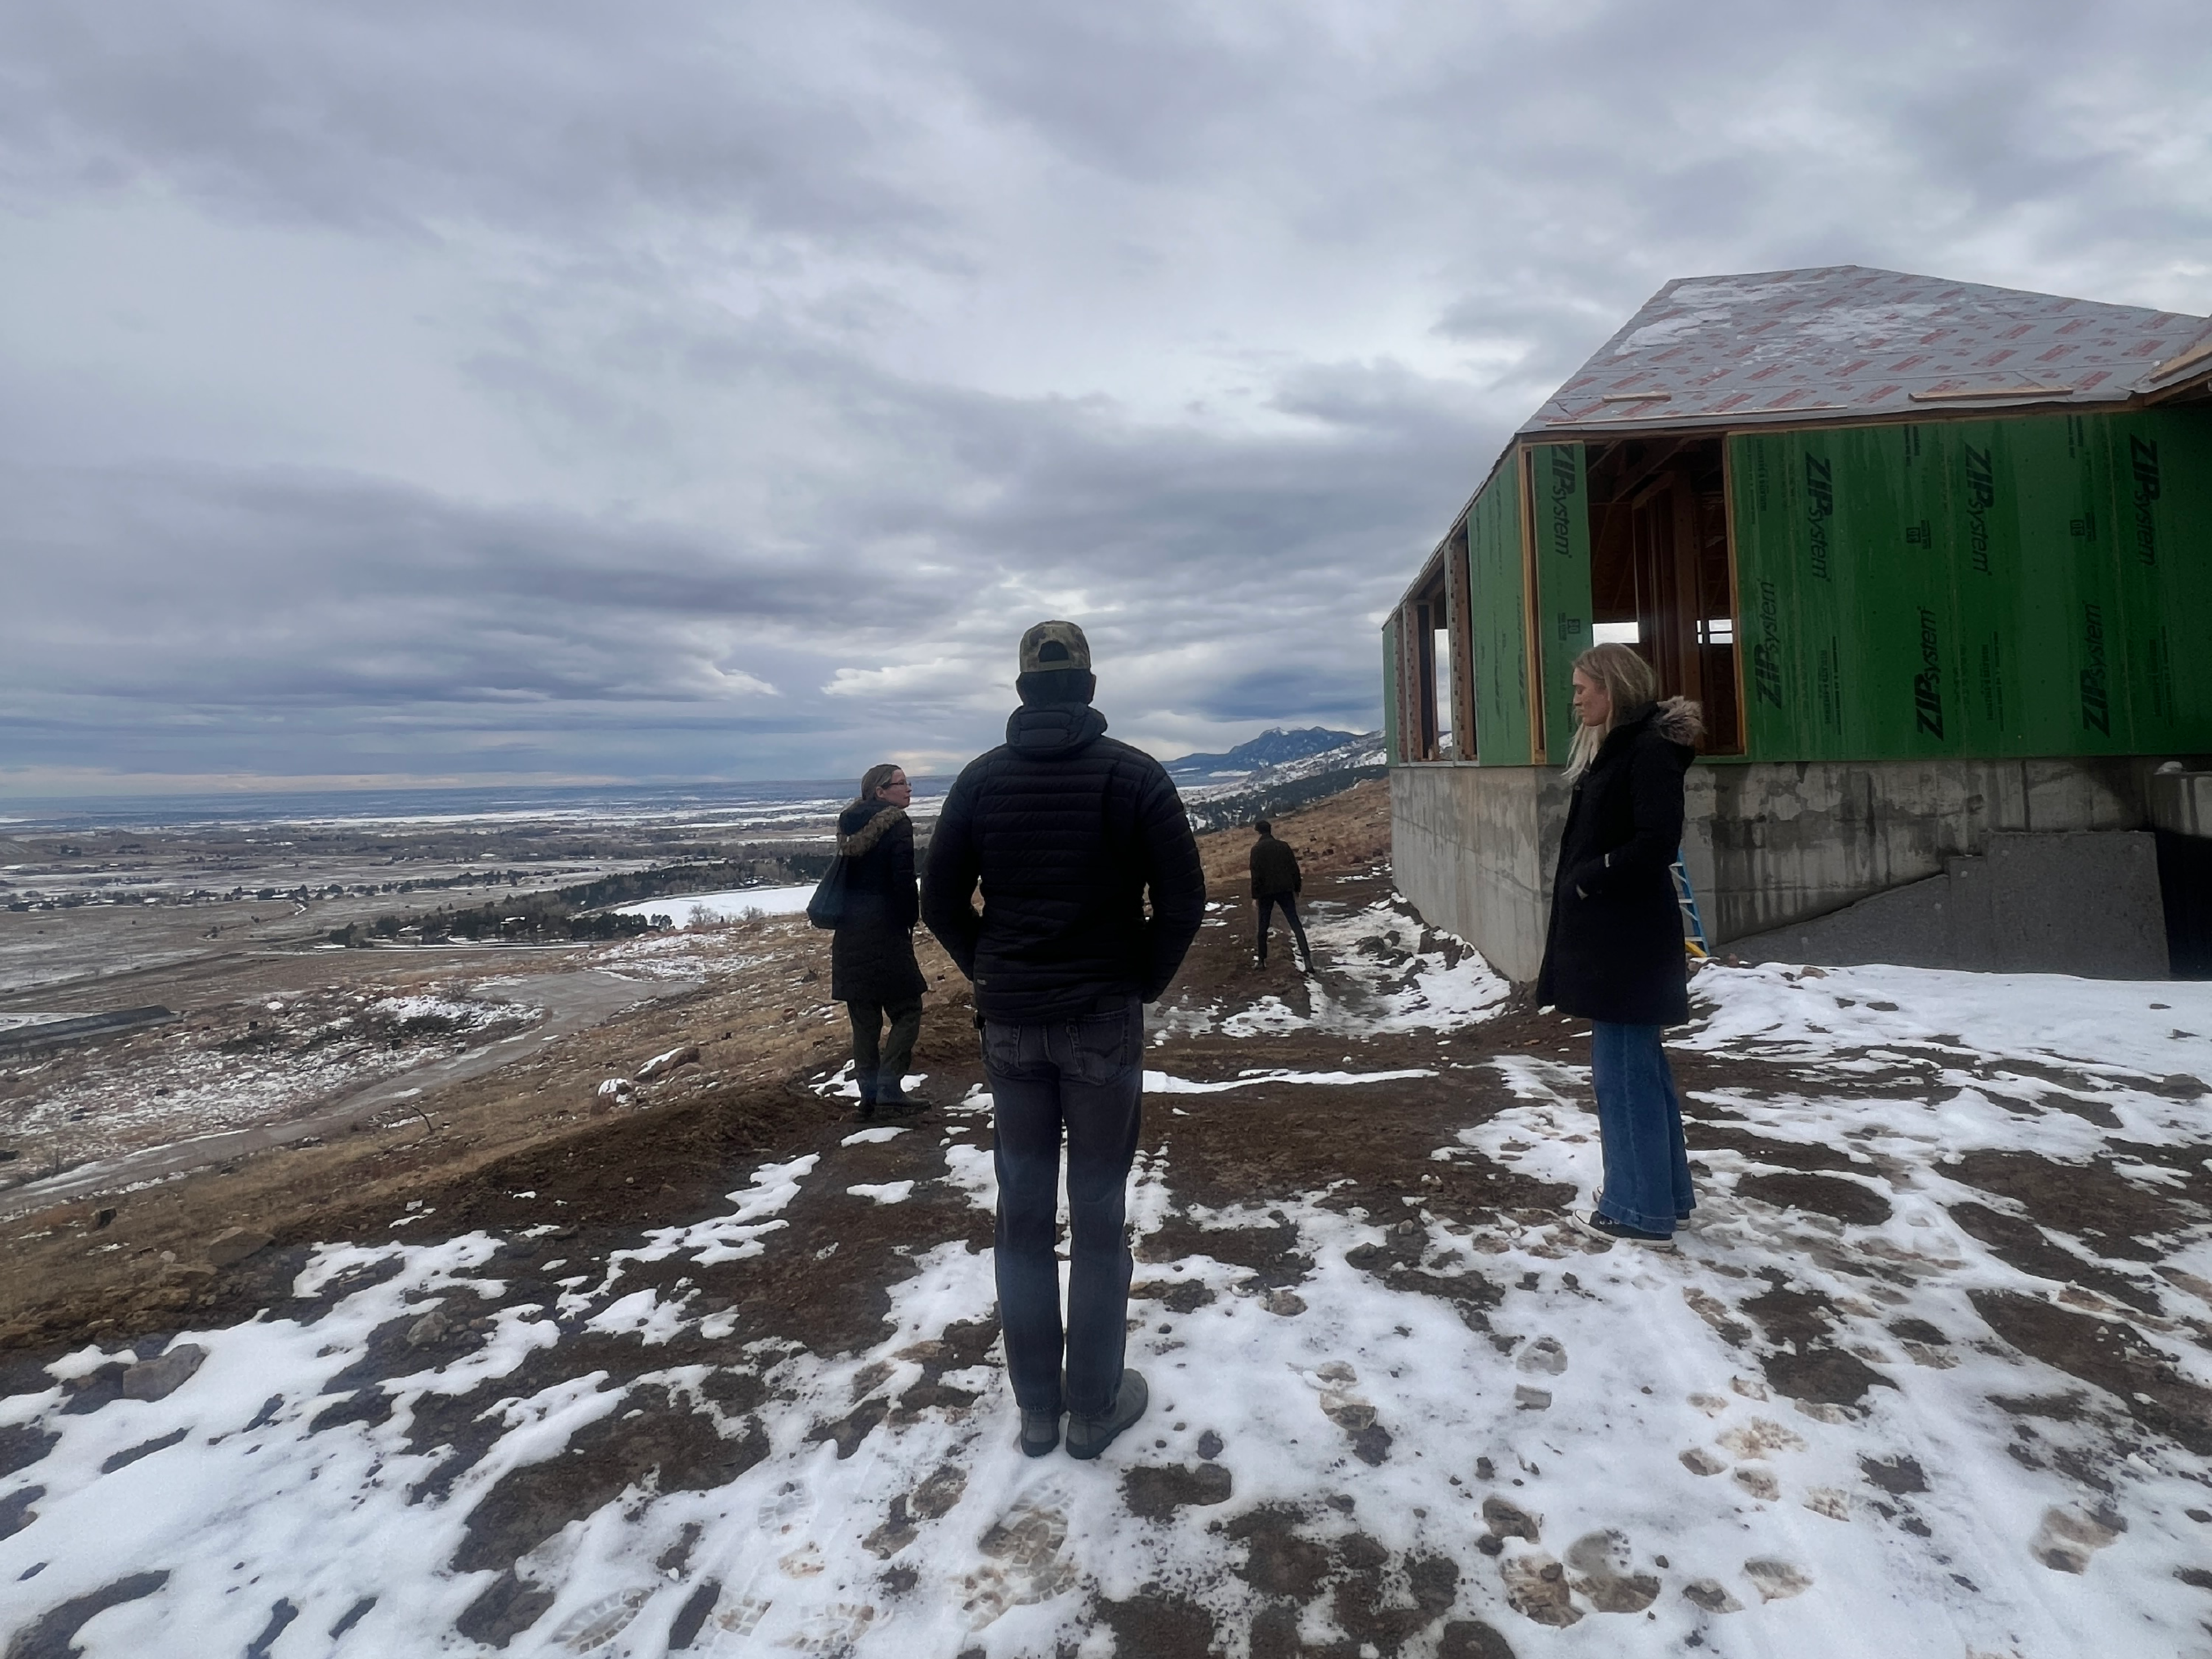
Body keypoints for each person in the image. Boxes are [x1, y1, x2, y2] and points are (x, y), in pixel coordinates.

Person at [922, 621, 1206, 1460]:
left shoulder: (979, 781)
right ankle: (1093, 1407)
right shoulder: (1135, 776)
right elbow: (1182, 902)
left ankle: (1037, 1411)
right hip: (1100, 1024)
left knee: (1019, 1213)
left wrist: (994, 972)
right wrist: (1136, 982)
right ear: (1087, 686)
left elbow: (938, 901)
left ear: (1021, 690)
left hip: (1010, 1025)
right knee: (1095, 1210)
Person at [1533, 643, 1704, 1246]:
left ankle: (1637, 1210)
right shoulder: (1624, 745)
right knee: (1639, 1072)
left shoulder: (1646, 750)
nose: (1576, 697)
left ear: (1613, 688)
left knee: (1623, 1077)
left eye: (1583, 687)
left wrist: (1590, 876)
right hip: (1622, 942)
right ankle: (1667, 1198)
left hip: (1626, 943)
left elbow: (1656, 842)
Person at [833, 763, 927, 1121]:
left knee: (865, 1021)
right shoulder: (897, 824)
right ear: (880, 792)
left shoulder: (847, 822)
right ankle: (889, 1086)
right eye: (901, 784)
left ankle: (868, 1100)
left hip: (849, 935)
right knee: (908, 1010)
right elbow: (903, 881)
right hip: (885, 932)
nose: (909, 789)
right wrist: (909, 919)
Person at [1248, 819, 1312, 972]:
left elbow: (1256, 875)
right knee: (1295, 924)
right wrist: (1297, 889)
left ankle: (1262, 961)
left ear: (1258, 831)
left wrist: (1255, 896)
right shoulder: (1284, 847)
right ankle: (1308, 961)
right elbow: (1294, 869)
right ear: (1271, 830)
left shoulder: (1256, 850)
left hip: (1265, 893)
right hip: (1285, 890)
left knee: (1263, 926)